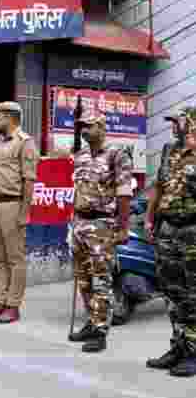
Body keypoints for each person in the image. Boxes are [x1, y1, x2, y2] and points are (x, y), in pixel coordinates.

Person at [68, 106, 133, 353]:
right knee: (83, 279)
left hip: (103, 224)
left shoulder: (117, 155)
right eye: (81, 127)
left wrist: (123, 228)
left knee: (101, 280)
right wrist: (73, 221)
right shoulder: (81, 155)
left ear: (102, 127)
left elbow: (124, 193)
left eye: (89, 126)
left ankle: (101, 331)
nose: (84, 131)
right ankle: (91, 321)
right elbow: (78, 189)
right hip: (80, 223)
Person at [144, 107, 196, 378]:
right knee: (172, 291)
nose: (173, 126)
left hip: (192, 230)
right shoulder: (168, 151)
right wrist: (150, 219)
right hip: (168, 229)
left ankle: (193, 351)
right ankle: (178, 345)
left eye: (178, 122)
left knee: (193, 294)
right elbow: (158, 188)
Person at [0, 101, 38, 323]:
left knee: (15, 258)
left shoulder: (25, 143)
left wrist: (25, 212)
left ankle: (13, 305)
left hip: (13, 205)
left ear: (10, 118)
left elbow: (29, 180)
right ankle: (0, 300)